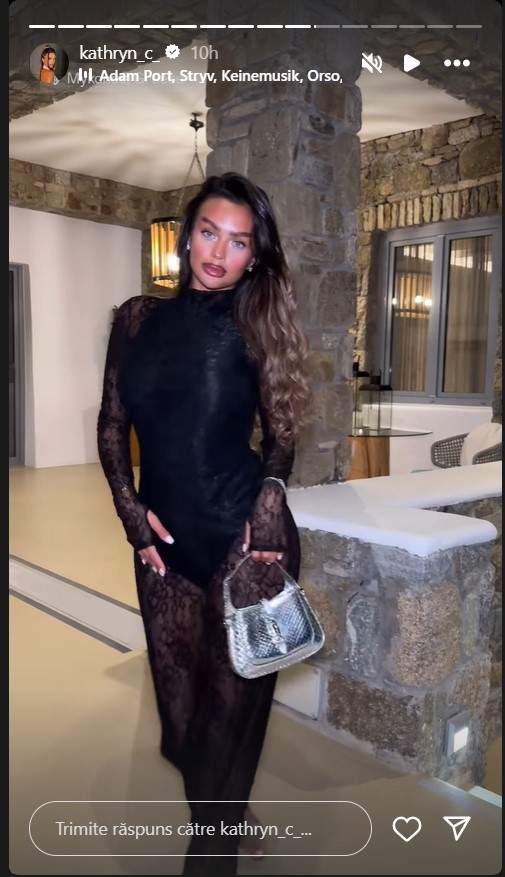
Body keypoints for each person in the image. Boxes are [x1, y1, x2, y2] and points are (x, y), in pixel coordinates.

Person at [97, 172, 310, 875]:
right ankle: (227, 812)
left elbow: (280, 432)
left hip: (245, 545)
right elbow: (111, 426)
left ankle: (212, 851)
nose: (219, 253)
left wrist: (270, 499)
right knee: (184, 728)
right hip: (163, 552)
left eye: (239, 242)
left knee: (226, 723)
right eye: (210, 233)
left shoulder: (255, 323)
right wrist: (131, 516)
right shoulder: (134, 320)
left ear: (255, 254)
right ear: (186, 236)